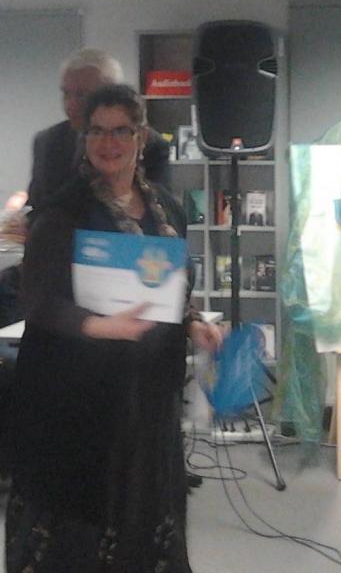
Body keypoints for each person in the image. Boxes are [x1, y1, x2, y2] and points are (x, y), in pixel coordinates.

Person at [6, 84, 222, 572]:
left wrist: (194, 324)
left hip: (146, 402)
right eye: (97, 131)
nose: (108, 142)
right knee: (82, 523)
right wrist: (98, 327)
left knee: (144, 514)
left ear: (140, 137)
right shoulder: (64, 213)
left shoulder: (167, 208)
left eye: (120, 131)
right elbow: (37, 301)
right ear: (84, 139)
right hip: (78, 403)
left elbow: (172, 290)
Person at [27, 48, 170, 209]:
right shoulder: (47, 142)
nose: (71, 105)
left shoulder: (151, 145)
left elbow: (160, 210)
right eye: (66, 94)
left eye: (82, 95)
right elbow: (35, 206)